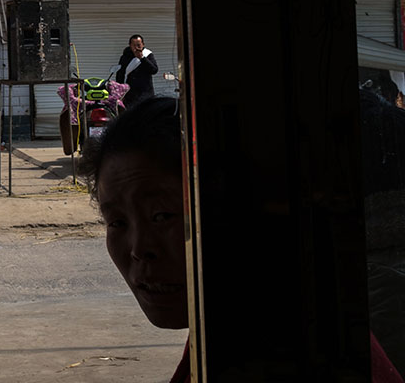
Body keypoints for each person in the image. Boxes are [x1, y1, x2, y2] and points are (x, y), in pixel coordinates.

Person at [80, 96, 404, 383]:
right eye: (117, 222)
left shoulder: (280, 346)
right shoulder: (224, 328)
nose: (139, 249)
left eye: (162, 216)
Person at [115, 34, 159, 107]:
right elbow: (120, 74)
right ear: (130, 45)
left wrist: (142, 58)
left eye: (138, 45)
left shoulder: (147, 55)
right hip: (130, 92)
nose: (136, 48)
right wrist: (120, 91)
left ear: (143, 44)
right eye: (134, 45)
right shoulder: (125, 57)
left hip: (145, 92)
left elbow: (154, 70)